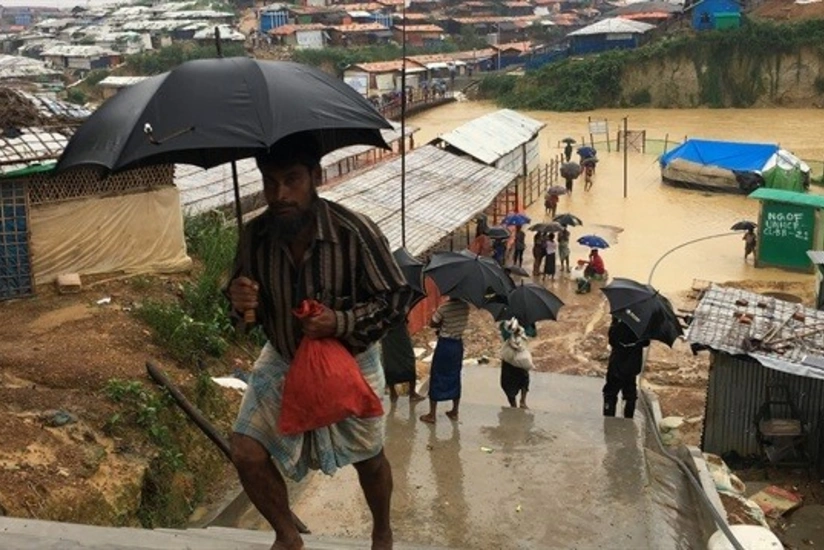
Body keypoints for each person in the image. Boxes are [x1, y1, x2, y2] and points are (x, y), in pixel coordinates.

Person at [226, 132, 413, 550]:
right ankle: (287, 535)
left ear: (315, 177)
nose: (281, 194)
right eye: (270, 182)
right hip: (284, 355)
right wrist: (240, 303)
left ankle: (382, 532)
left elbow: (396, 299)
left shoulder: (355, 232)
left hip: (351, 358)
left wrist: (340, 321)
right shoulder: (253, 237)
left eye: (292, 180)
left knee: (369, 456)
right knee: (245, 450)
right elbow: (238, 313)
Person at [420, 298, 470, 424]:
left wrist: (440, 323)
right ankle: (454, 411)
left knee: (437, 375)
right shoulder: (465, 307)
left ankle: (432, 414)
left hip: (445, 346)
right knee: (455, 376)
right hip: (457, 345)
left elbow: (432, 323)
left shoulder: (444, 308)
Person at [603, 317, 650, 419]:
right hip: (632, 365)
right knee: (630, 395)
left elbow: (612, 340)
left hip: (616, 364)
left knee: (610, 393)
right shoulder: (642, 323)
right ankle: (628, 419)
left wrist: (614, 323)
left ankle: (608, 419)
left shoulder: (620, 319)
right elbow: (646, 342)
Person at [381, 320, 425, 403]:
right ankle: (411, 393)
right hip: (396, 331)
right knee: (407, 359)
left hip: (388, 332)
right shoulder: (399, 308)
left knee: (390, 360)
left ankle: (394, 393)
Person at [499, 318, 536, 408]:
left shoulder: (526, 320)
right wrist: (512, 330)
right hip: (514, 358)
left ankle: (520, 402)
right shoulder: (507, 321)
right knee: (517, 381)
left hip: (517, 357)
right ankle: (517, 404)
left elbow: (532, 333)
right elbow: (504, 334)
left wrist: (520, 331)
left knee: (521, 380)